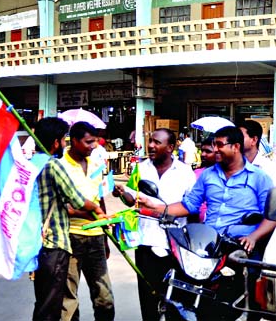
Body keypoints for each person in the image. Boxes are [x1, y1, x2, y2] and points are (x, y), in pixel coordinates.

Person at [140, 126, 275, 321]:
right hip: (209, 244)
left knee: (245, 298)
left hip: (240, 246)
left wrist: (253, 237)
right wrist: (155, 207)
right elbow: (189, 205)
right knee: (182, 289)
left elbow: (271, 216)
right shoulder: (208, 175)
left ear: (236, 146)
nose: (215, 149)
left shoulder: (259, 177)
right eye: (214, 145)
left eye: (220, 145)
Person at [114, 128, 196, 321]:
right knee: (148, 295)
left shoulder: (185, 173)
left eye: (157, 142)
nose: (151, 145)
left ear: (170, 147)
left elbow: (192, 207)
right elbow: (131, 198)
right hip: (146, 241)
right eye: (150, 141)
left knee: (175, 297)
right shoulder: (141, 168)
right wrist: (122, 193)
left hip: (176, 245)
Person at [32, 117, 106, 321]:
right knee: (53, 305)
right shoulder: (54, 165)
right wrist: (97, 210)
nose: (63, 144)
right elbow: (77, 200)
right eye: (62, 139)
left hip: (40, 242)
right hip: (56, 242)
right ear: (57, 142)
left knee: (45, 301)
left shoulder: (32, 164)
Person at [60, 122, 115, 321]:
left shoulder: (95, 164)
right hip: (70, 238)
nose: (93, 146)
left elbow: (99, 199)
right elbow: (61, 206)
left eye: (95, 142)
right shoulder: (60, 166)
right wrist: (86, 214)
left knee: (104, 296)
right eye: (88, 142)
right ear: (73, 141)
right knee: (68, 299)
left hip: (96, 238)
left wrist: (106, 238)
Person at [238, 119, 276, 185]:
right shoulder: (232, 165)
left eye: (240, 137)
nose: (236, 140)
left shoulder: (269, 168)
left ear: (254, 140)